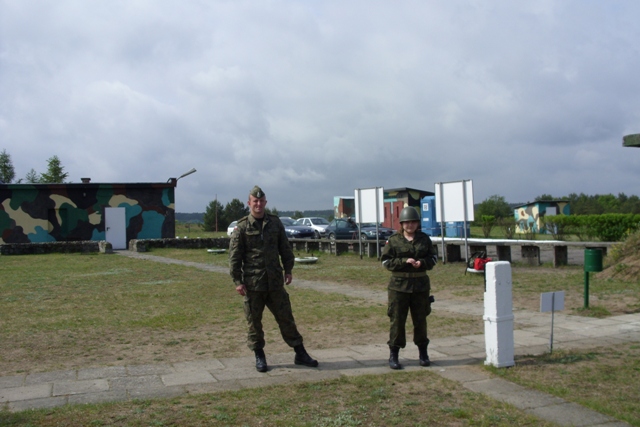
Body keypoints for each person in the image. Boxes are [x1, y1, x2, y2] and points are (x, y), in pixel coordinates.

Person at [228, 185, 319, 372]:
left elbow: (284, 248)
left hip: (275, 282)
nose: (258, 204)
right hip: (253, 284)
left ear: (265, 202)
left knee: (286, 318)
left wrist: (288, 269)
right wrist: (238, 281)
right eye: (255, 201)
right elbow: (235, 257)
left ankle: (300, 353)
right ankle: (259, 355)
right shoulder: (242, 227)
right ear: (249, 203)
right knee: (254, 323)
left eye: (261, 201)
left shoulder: (275, 223)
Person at [380, 206, 437, 369]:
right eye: (407, 222)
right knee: (397, 321)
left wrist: (422, 263)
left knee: (420, 320)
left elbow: (433, 258)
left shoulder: (424, 239)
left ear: (417, 223)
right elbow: (385, 262)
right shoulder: (394, 240)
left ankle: (423, 353)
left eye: (413, 222)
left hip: (420, 286)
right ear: (402, 224)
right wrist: (403, 261)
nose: (410, 225)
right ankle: (394, 354)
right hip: (399, 287)